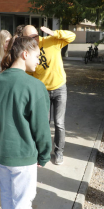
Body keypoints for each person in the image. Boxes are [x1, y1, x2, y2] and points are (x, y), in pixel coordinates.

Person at [0, 36, 51, 209]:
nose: (39, 60)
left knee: (7, 197)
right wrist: (45, 154)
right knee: (22, 201)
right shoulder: (34, 85)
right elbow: (42, 127)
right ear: (25, 54)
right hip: (22, 154)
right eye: (36, 55)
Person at [22, 25, 76, 165]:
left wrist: (54, 33)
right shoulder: (28, 51)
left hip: (59, 88)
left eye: (34, 36)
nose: (33, 40)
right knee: (43, 124)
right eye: (29, 38)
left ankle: (59, 152)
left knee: (59, 123)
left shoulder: (52, 41)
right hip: (43, 91)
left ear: (38, 34)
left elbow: (72, 36)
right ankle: (43, 152)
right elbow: (28, 73)